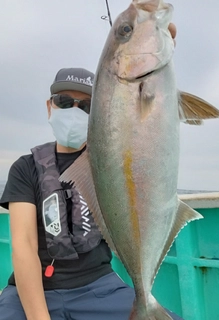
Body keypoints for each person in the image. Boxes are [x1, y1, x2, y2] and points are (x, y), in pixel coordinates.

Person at [0, 26, 182, 320]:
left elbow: (147, 122)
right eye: (63, 102)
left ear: (99, 110)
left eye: (85, 105)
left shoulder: (112, 165)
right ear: (49, 107)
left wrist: (155, 50)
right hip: (31, 292)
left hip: (98, 286)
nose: (73, 110)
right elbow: (23, 246)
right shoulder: (25, 167)